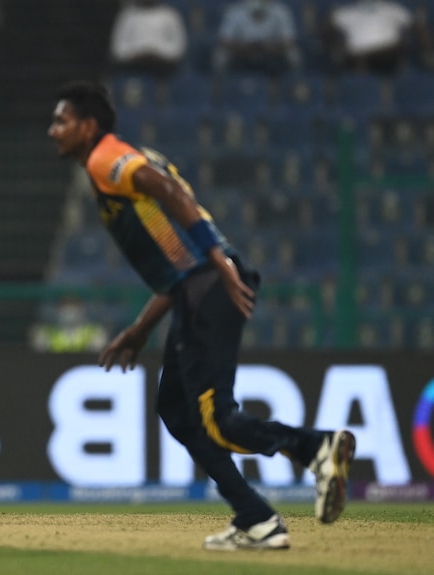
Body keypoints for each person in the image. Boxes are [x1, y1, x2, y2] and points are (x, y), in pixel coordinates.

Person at [47, 81, 355, 550]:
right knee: (175, 407)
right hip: (199, 285)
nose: (53, 131)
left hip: (209, 285)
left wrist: (219, 261)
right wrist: (139, 330)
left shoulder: (105, 158)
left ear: (88, 127)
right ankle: (255, 517)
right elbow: (177, 265)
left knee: (216, 420)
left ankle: (315, 449)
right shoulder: (116, 160)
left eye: (61, 121)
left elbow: (168, 190)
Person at [322, 0, 423, 74]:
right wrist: (334, 46)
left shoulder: (391, 9)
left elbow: (416, 26)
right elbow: (327, 25)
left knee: (401, 45)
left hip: (388, 55)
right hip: (359, 57)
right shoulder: (348, 12)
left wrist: (427, 48)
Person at [213, 0, 302, 75]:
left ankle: (292, 85)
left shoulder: (280, 11)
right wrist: (245, 47)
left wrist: (269, 47)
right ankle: (220, 89)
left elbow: (288, 41)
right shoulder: (236, 11)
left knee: (293, 54)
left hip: (273, 52)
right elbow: (224, 41)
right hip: (241, 52)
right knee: (220, 55)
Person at [107, 0, 188, 77]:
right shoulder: (127, 16)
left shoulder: (170, 15)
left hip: (162, 66)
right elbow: (118, 49)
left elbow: (178, 48)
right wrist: (138, 55)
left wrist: (155, 54)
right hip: (133, 66)